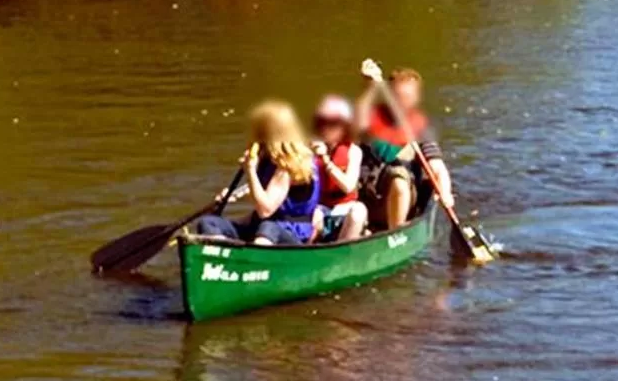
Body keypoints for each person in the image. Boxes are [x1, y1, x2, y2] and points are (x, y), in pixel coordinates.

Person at [191, 101, 322, 246]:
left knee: (268, 227)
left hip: (288, 233)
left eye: (260, 132)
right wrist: (232, 195)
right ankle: (222, 256)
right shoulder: (267, 158)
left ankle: (250, 259)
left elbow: (265, 210)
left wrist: (251, 171)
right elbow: (262, 193)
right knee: (209, 222)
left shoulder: (288, 167)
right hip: (262, 228)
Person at [356, 60, 453, 229]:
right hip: (367, 198)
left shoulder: (421, 128)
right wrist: (370, 86)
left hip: (400, 197)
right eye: (397, 96)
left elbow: (437, 167)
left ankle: (395, 232)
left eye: (407, 97)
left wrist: (445, 193)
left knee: (398, 178)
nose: (402, 102)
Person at [310, 94, 369, 242]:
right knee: (313, 214)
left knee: (359, 212)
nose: (326, 129)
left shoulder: (353, 151)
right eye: (322, 123)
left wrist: (326, 161)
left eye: (333, 124)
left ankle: (345, 251)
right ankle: (308, 251)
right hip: (321, 208)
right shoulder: (309, 150)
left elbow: (348, 186)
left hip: (345, 208)